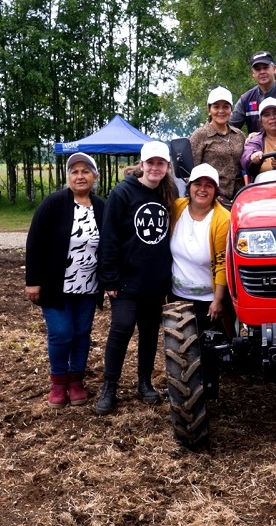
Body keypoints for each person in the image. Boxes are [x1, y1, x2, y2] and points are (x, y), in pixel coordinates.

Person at [95, 141, 178, 415]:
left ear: (167, 167)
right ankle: (110, 386)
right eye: (150, 163)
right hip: (126, 280)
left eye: (161, 164)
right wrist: (110, 277)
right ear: (141, 165)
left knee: (149, 333)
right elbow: (109, 237)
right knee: (122, 327)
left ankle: (144, 382)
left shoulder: (168, 193)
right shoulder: (122, 193)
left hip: (155, 280)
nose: (155, 168)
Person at [25, 153, 105, 409]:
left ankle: (76, 381)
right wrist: (32, 281)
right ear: (68, 177)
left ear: (94, 176)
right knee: (61, 333)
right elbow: (34, 242)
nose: (80, 176)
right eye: (74, 171)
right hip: (55, 285)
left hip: (88, 285)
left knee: (81, 334)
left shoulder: (102, 207)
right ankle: (59, 383)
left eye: (85, 171)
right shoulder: (53, 204)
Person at [170, 163, 235, 335]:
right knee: (181, 351)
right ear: (189, 186)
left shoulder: (223, 219)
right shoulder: (177, 208)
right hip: (178, 296)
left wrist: (218, 300)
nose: (202, 190)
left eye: (209, 185)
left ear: (216, 190)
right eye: (197, 184)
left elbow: (222, 262)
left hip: (208, 300)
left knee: (211, 349)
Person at [190, 86, 246, 206]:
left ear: (231, 110)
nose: (221, 111)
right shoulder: (200, 135)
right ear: (209, 110)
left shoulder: (239, 135)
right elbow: (190, 171)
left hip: (239, 198)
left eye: (226, 107)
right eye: (216, 107)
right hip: (211, 198)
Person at [229, 51, 276, 133]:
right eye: (258, 69)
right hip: (257, 145)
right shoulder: (245, 99)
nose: (262, 72)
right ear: (253, 73)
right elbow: (230, 127)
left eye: (265, 67)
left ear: (274, 69)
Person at [240, 98, 276, 180]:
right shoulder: (254, 141)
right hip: (263, 189)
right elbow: (246, 159)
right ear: (261, 121)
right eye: (266, 115)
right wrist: (253, 157)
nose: (272, 117)